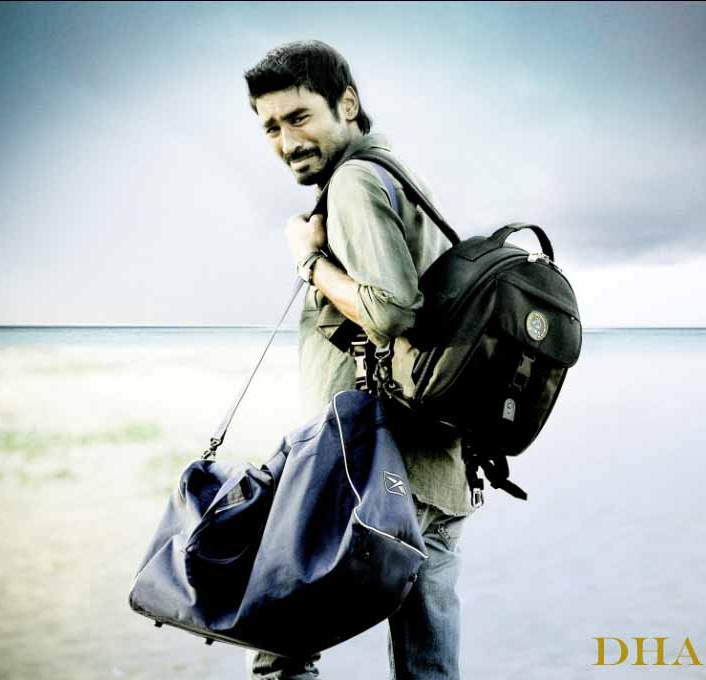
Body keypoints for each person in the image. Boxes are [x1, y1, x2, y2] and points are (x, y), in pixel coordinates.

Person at [242, 40, 476, 680]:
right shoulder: (396, 173)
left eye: (299, 117)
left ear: (346, 104)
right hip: (436, 469)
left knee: (275, 647)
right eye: (270, 127)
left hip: (371, 472)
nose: (287, 142)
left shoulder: (354, 181)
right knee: (428, 670)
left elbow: (392, 309)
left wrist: (308, 261)